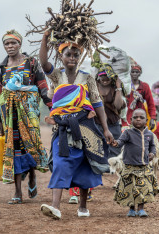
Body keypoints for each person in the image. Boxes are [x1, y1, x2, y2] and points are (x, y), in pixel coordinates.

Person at [39, 30, 113, 219]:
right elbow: (43, 63)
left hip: (85, 127)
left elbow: (97, 104)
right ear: (61, 57)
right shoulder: (56, 76)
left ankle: (82, 206)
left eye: (75, 55)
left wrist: (105, 129)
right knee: (60, 162)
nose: (72, 58)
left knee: (85, 165)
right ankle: (55, 207)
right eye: (68, 55)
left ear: (79, 58)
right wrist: (45, 38)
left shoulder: (87, 78)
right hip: (62, 128)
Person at [0, 30, 52, 204]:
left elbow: (43, 86)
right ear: (4, 46)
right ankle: (18, 192)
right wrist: (0, 121)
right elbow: (0, 95)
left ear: (20, 44)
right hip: (10, 116)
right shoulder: (1, 68)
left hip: (29, 113)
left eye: (13, 43)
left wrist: (53, 109)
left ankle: (33, 176)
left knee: (30, 145)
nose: (10, 46)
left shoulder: (31, 63)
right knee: (14, 149)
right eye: (7, 44)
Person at [112, 109, 159, 217]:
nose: (138, 119)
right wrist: (115, 143)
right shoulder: (128, 133)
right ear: (131, 119)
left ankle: (141, 209)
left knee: (144, 188)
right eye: (135, 117)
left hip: (144, 167)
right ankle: (132, 209)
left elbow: (152, 146)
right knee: (131, 189)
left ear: (146, 120)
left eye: (141, 117)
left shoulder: (149, 134)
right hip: (130, 167)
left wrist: (152, 153)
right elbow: (120, 142)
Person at [95, 64, 126, 158]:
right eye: (102, 77)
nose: (105, 79)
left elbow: (118, 105)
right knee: (97, 147)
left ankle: (113, 168)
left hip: (113, 123)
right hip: (97, 123)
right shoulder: (94, 87)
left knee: (115, 146)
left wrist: (118, 87)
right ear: (98, 77)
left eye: (107, 77)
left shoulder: (114, 88)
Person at [122, 60, 156, 131]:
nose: (134, 74)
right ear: (129, 73)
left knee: (140, 138)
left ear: (140, 73)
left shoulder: (144, 86)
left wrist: (152, 118)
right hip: (127, 117)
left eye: (136, 72)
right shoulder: (125, 86)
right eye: (132, 72)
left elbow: (150, 104)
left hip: (140, 117)